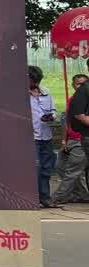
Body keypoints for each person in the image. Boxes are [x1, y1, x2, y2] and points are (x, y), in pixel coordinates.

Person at [54, 73, 89, 205]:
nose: (81, 86)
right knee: (60, 166)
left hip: (82, 139)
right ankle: (82, 194)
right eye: (78, 83)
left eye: (83, 83)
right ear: (73, 85)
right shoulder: (72, 100)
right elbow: (66, 121)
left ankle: (58, 197)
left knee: (73, 171)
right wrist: (64, 140)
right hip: (70, 139)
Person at [30, 66, 59, 207]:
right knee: (35, 167)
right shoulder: (20, 94)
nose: (34, 84)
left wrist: (51, 116)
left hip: (46, 135)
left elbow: (53, 110)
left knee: (46, 168)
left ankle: (45, 197)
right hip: (31, 137)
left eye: (36, 81)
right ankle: (34, 197)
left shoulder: (46, 92)